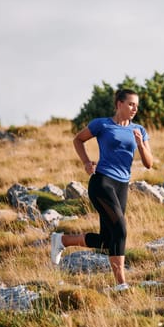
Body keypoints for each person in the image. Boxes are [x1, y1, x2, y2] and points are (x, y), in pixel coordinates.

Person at [50, 89, 153, 292]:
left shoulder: (139, 130)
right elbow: (78, 140)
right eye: (131, 104)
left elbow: (149, 163)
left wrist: (140, 144)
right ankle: (121, 284)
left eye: (137, 106)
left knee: (107, 240)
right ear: (119, 104)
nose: (134, 109)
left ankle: (61, 240)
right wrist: (87, 162)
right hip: (102, 182)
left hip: (122, 185)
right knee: (121, 229)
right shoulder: (102, 124)